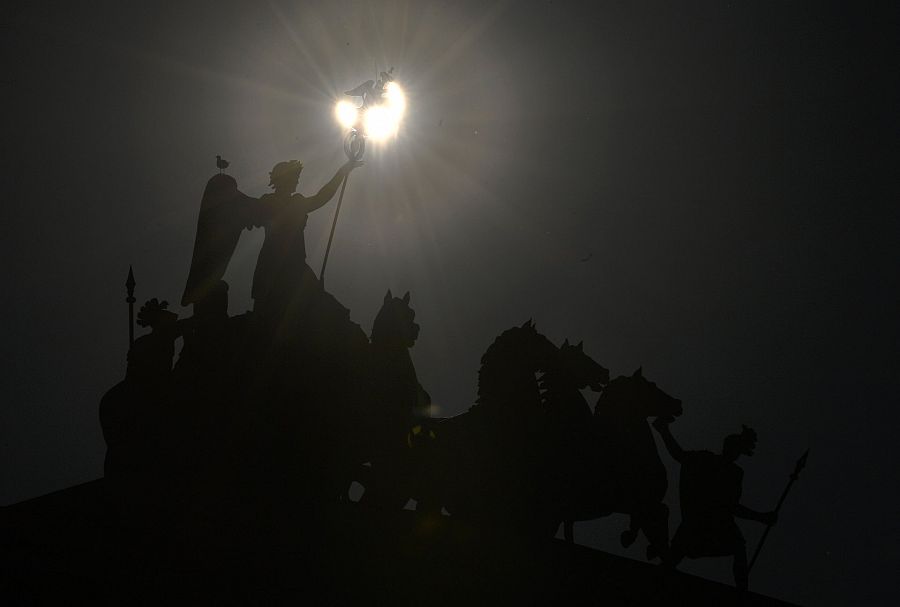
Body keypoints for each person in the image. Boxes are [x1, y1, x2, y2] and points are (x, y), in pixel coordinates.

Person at [652, 417, 777, 593]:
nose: (733, 451)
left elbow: (731, 506)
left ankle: (742, 590)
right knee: (678, 554)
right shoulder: (706, 460)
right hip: (698, 519)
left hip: (714, 522)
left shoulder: (734, 473)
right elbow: (679, 455)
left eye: (736, 449)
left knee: (737, 547)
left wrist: (761, 517)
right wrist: (664, 431)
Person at [250, 158, 362, 330]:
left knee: (326, 309)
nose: (296, 182)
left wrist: (343, 171)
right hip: (276, 267)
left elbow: (322, 197)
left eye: (297, 178)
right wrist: (343, 171)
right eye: (294, 178)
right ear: (283, 180)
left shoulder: (295, 202)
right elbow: (321, 197)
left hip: (293, 266)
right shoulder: (272, 202)